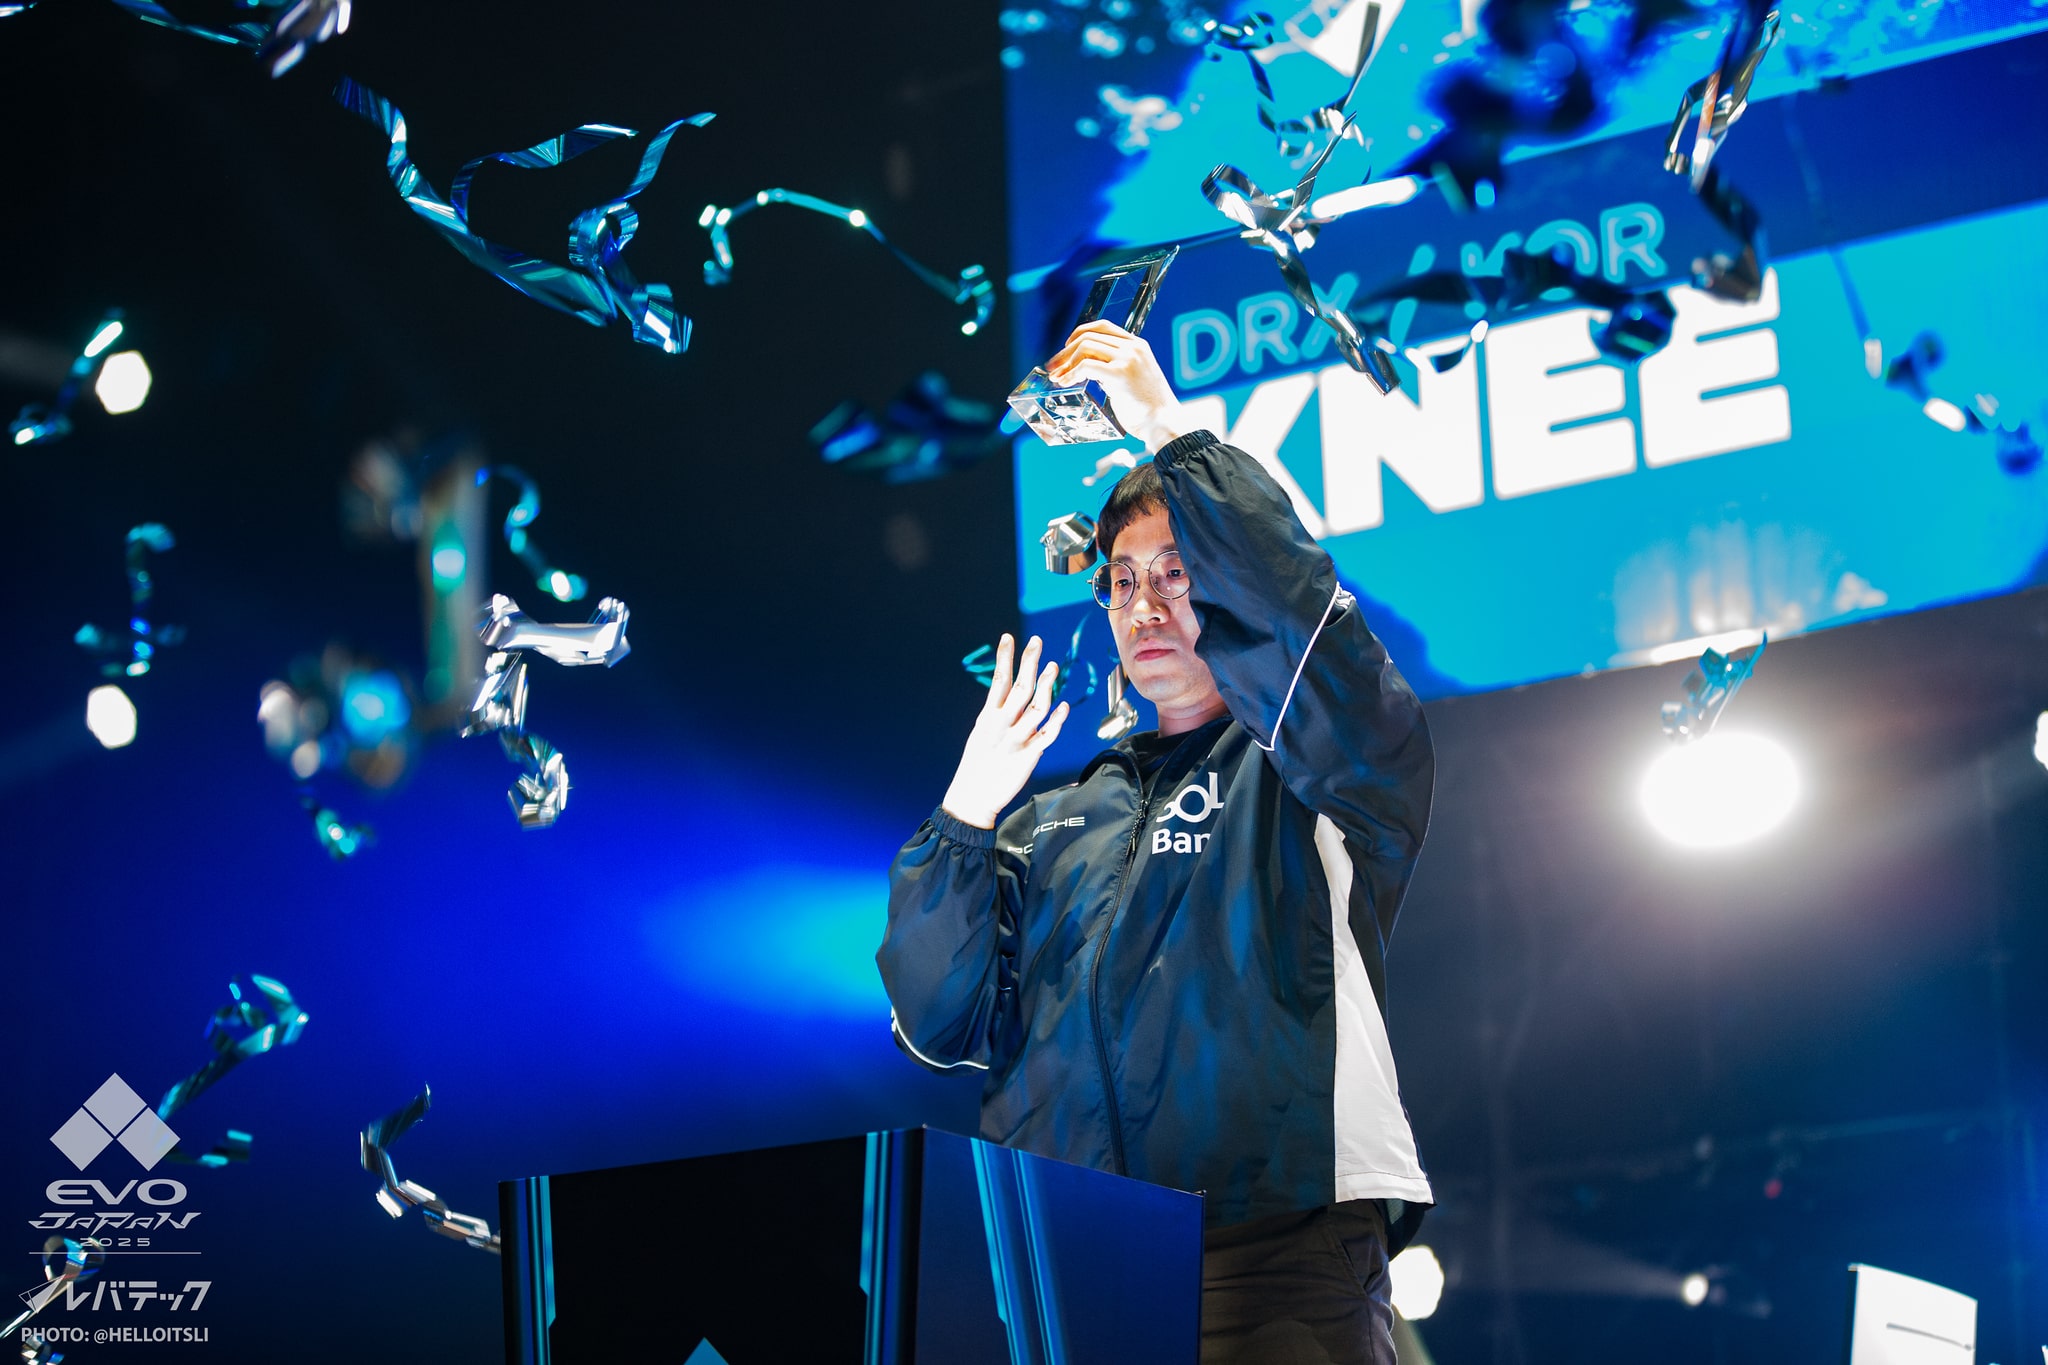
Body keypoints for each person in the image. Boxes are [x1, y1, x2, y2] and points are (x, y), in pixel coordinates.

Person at [878, 320, 1436, 1365]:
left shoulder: (1307, 765)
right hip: (1075, 1271)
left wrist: (1168, 430)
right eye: (1123, 581)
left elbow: (1300, 622)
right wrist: (963, 819)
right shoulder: (1050, 823)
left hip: (1271, 1246)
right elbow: (936, 1024)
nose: (1145, 606)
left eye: (1178, 574)